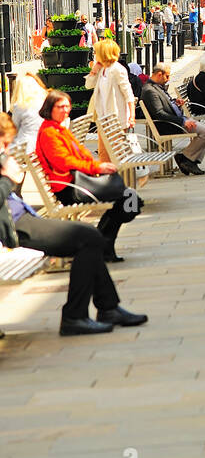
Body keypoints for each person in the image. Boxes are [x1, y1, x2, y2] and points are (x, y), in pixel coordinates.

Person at [0, 114, 147, 336]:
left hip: (23, 218)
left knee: (89, 237)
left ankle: (106, 309)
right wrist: (8, 179)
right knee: (88, 238)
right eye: (3, 142)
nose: (5, 147)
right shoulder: (47, 134)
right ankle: (77, 316)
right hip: (16, 224)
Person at [34, 91, 142, 260]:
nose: (65, 110)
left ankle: (100, 243)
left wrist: (98, 166)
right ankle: (101, 244)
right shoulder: (49, 132)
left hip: (77, 183)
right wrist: (96, 167)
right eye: (60, 107)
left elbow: (81, 153)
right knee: (128, 198)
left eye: (67, 106)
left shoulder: (58, 128)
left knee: (129, 198)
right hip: (69, 188)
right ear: (49, 109)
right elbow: (64, 162)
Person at [141, 63, 205, 175]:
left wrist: (175, 103)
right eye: (167, 76)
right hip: (169, 125)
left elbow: (165, 104)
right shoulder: (149, 90)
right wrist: (183, 121)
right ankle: (186, 159)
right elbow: (159, 113)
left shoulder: (157, 86)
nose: (168, 79)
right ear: (159, 74)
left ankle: (188, 159)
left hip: (177, 120)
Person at [85, 39, 135, 161]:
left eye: (97, 52)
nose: (95, 55)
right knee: (103, 153)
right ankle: (107, 179)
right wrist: (93, 71)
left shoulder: (117, 69)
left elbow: (128, 94)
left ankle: (119, 178)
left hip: (116, 118)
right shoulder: (102, 69)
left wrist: (131, 116)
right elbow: (88, 85)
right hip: (102, 117)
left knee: (117, 153)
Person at [10, 68, 47, 151]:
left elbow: (14, 130)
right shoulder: (44, 103)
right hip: (43, 145)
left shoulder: (20, 106)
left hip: (26, 148)